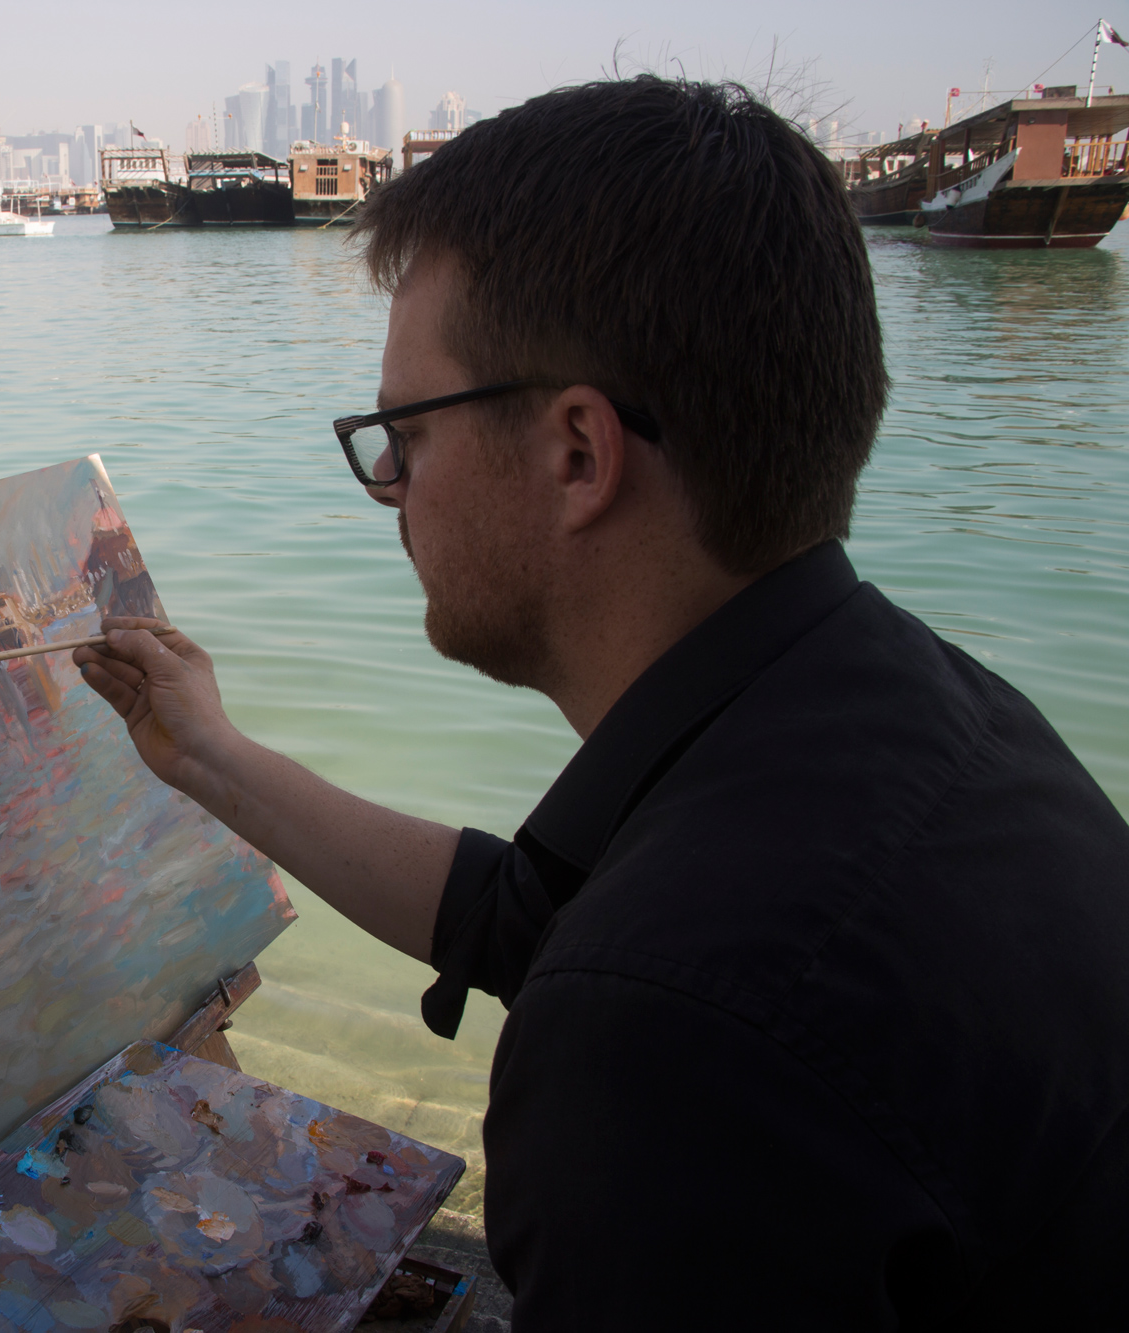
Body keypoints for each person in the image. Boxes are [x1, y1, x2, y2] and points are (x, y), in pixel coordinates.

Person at [73, 77, 1129, 1328]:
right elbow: (528, 916)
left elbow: (637, 981)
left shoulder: (665, 1053)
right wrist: (206, 754)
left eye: (403, 434)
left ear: (578, 452)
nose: (389, 488)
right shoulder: (921, 710)